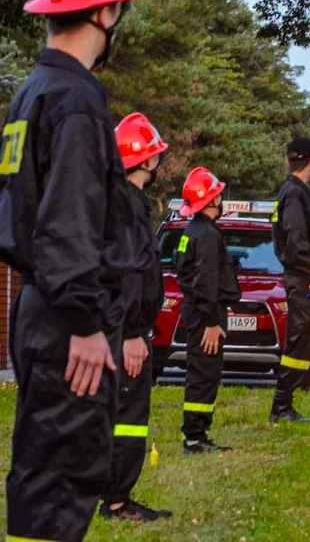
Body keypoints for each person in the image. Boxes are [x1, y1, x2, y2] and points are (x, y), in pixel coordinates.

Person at [0, 0, 139, 542]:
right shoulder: (77, 101)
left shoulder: (29, 94)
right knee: (62, 480)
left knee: (39, 470)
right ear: (106, 13)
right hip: (68, 321)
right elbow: (67, 220)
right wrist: (85, 322)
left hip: (36, 307)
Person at [101, 113, 173, 521]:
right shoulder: (127, 207)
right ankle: (116, 501)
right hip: (125, 332)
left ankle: (114, 495)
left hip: (124, 328)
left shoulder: (125, 203)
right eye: (156, 156)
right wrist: (131, 333)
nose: (159, 163)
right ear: (146, 161)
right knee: (128, 417)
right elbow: (127, 273)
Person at [177, 166, 239, 453]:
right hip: (206, 316)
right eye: (218, 193)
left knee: (201, 373)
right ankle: (194, 438)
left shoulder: (194, 231)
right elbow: (205, 282)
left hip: (198, 312)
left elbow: (189, 278)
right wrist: (212, 322)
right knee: (205, 375)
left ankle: (196, 434)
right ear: (210, 200)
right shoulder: (208, 235)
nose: (221, 198)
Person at [270, 138, 310, 423]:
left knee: (304, 342)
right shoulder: (294, 194)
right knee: (300, 340)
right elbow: (296, 240)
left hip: (301, 277)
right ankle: (281, 406)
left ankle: (284, 404)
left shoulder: (293, 192)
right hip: (302, 279)